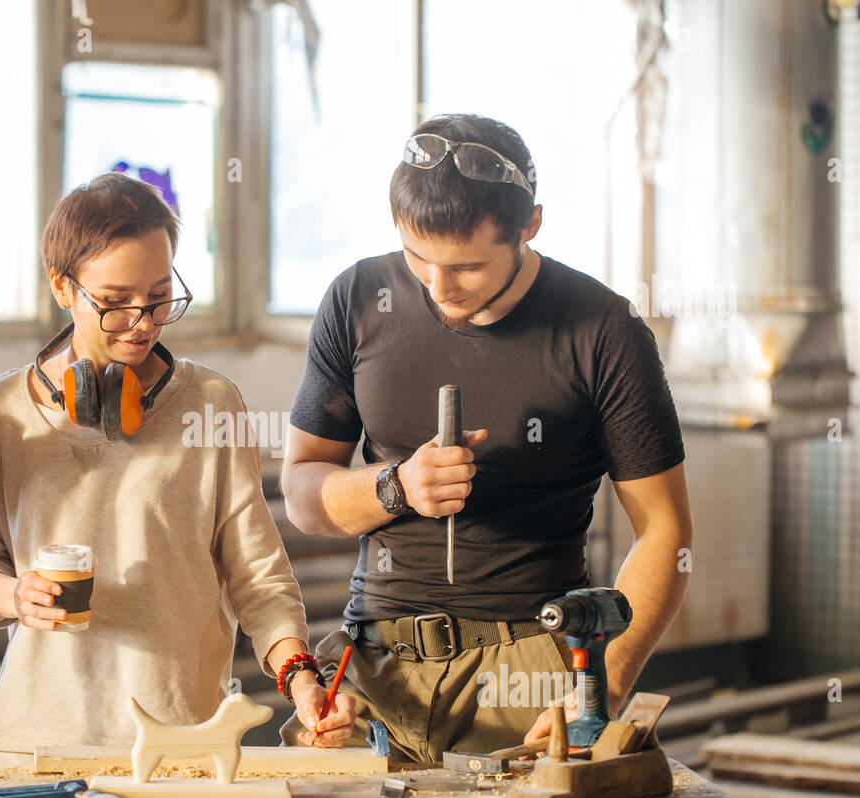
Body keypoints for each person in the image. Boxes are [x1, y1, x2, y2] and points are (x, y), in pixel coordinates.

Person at [279, 113, 692, 762]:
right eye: (419, 259)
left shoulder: (603, 329)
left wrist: (597, 690)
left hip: (529, 665)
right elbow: (304, 496)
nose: (439, 290)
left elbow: (665, 531)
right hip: (376, 664)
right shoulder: (357, 298)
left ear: (530, 226)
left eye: (467, 267)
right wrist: (396, 488)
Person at [0, 173, 356, 765]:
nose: (143, 322)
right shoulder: (3, 409)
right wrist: (15, 595)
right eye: (115, 304)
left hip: (179, 747)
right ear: (63, 288)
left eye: (159, 296)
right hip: (27, 747)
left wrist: (304, 683)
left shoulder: (212, 404)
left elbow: (258, 578)